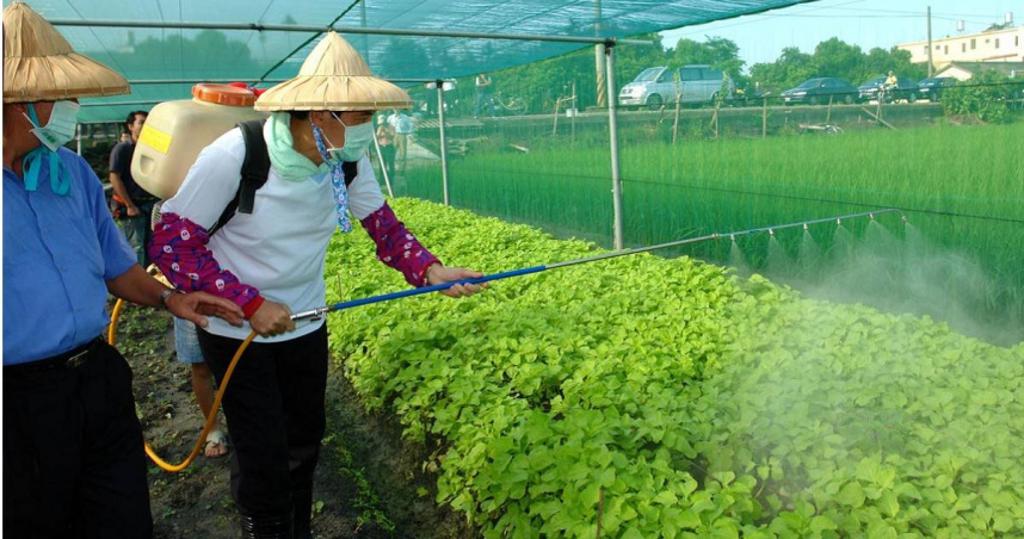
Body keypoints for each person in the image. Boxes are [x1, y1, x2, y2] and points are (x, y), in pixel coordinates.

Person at [149, 32, 484, 538]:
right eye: (360, 118)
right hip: (240, 333)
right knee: (261, 449)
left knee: (304, 441)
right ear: (319, 113)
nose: (370, 129)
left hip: (305, 323)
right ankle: (263, 528)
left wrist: (430, 270)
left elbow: (384, 226)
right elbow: (173, 244)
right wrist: (249, 302)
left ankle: (296, 528)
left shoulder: (346, 160)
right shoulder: (239, 154)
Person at [2, 3, 245, 538]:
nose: (73, 104)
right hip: (14, 403)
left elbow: (116, 267)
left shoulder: (69, 172)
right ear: (22, 102)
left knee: (123, 516)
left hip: (96, 378)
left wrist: (168, 298)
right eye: (63, 95)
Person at [152, 203, 231, 458]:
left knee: (239, 365)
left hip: (232, 292)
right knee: (200, 366)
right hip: (192, 296)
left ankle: (247, 427)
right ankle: (213, 430)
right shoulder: (167, 204)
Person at [109, 109, 158, 265]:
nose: (145, 125)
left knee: (152, 246)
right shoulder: (123, 149)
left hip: (150, 205)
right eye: (141, 122)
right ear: (130, 126)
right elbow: (114, 177)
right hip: (131, 206)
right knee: (135, 248)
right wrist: (129, 205)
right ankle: (136, 286)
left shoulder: (152, 149)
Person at [387, 108, 414, 175]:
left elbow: (410, 126)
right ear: (393, 109)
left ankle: (401, 170)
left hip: (402, 135)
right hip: (393, 136)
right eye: (395, 109)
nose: (396, 110)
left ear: (400, 109)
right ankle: (392, 169)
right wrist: (390, 134)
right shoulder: (390, 117)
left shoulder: (405, 117)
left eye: (397, 108)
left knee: (403, 153)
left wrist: (409, 133)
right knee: (392, 152)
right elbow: (388, 126)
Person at [374, 115, 396, 183]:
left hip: (389, 147)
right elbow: (376, 137)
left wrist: (386, 131)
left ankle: (391, 180)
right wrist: (379, 132)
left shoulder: (390, 126)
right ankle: (382, 179)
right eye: (381, 123)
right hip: (381, 147)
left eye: (383, 123)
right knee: (382, 164)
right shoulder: (378, 128)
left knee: (390, 164)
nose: (382, 124)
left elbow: (392, 136)